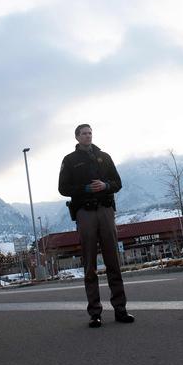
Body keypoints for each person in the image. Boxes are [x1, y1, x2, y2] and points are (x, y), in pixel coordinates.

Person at [58, 124, 134, 328]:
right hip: (85, 212)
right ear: (76, 137)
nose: (88, 136)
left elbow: (118, 182)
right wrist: (84, 188)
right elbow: (63, 188)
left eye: (90, 133)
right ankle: (95, 313)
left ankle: (121, 309)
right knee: (89, 264)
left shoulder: (104, 157)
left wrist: (106, 186)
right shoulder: (70, 160)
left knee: (113, 262)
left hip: (105, 209)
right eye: (84, 133)